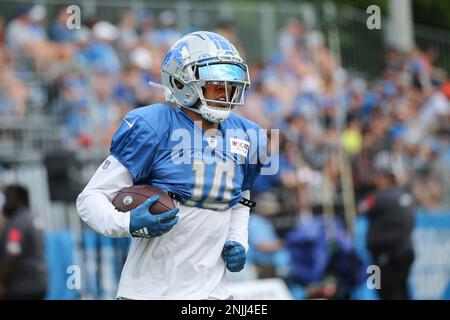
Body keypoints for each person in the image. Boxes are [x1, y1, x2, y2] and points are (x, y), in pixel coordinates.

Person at [76, 31, 267, 300]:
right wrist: (128, 222)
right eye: (216, 86)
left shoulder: (247, 135)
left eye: (231, 85)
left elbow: (239, 199)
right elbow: (90, 199)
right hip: (150, 292)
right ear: (182, 83)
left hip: (213, 294)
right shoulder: (155, 125)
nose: (226, 94)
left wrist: (238, 239)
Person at [358, 152, 415, 300]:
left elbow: (361, 208)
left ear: (384, 177)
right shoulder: (404, 195)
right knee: (401, 290)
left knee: (386, 292)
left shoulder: (378, 197)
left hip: (385, 255)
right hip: (405, 252)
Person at [0, 185, 48, 300]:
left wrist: (1, 282)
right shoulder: (32, 217)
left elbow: (12, 253)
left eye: (7, 199)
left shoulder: (17, 223)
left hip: (22, 285)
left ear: (16, 200)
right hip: (39, 281)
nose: (4, 204)